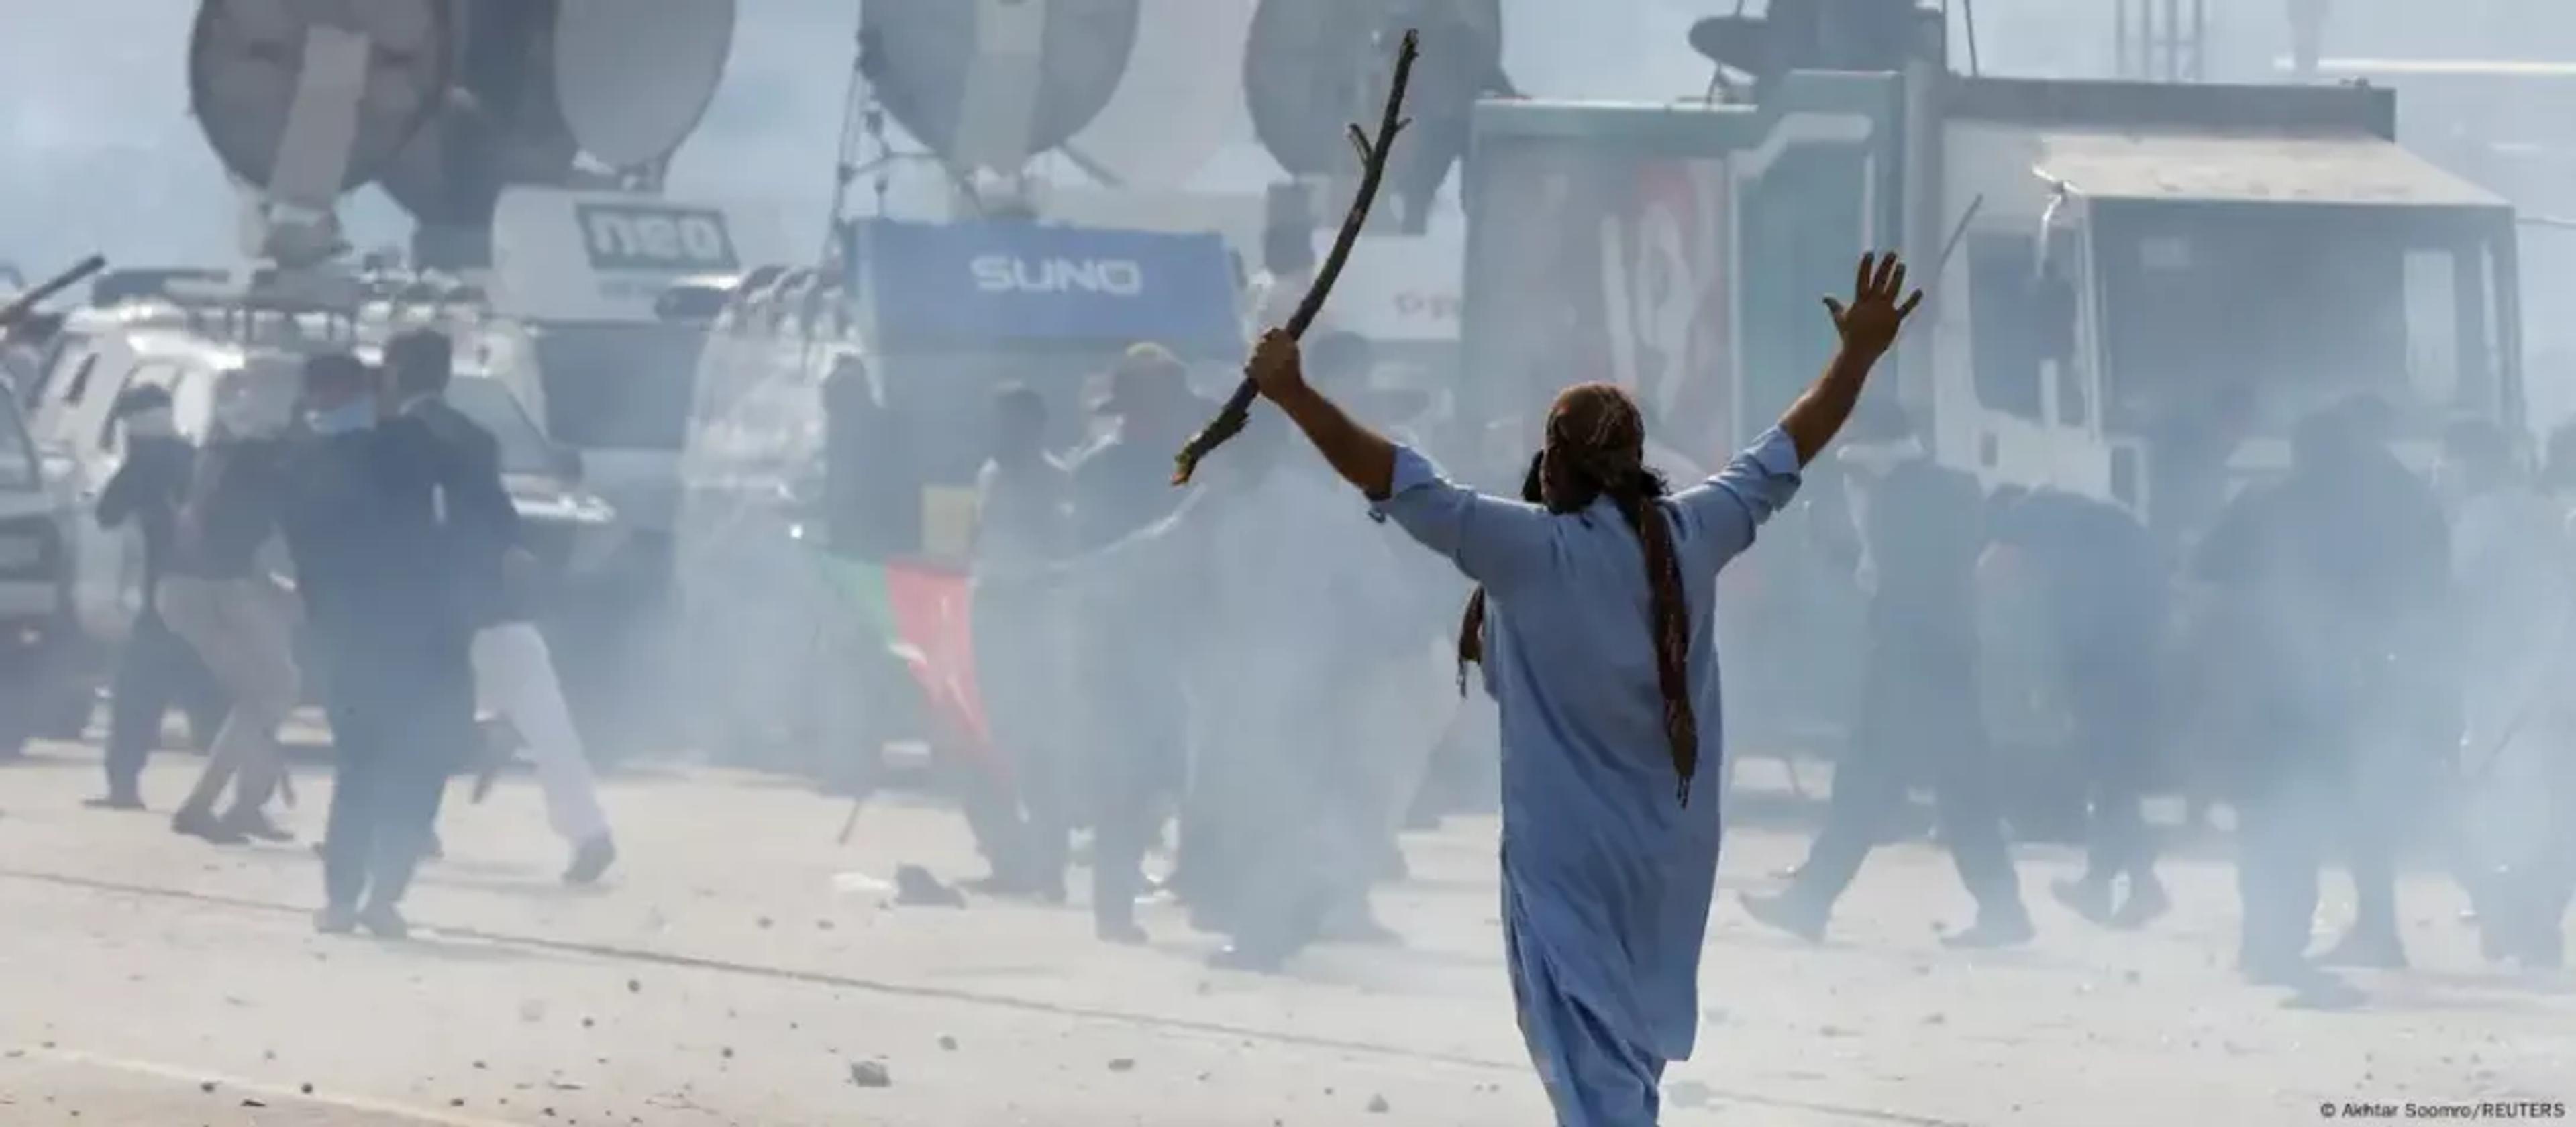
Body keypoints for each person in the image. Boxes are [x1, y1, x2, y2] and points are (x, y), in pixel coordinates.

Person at [1243, 253, 1918, 1126]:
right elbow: (1784, 450)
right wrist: (1856, 356)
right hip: (1669, 849)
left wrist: (1293, 394)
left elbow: (1390, 473)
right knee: (1624, 1041)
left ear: (1552, 461)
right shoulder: (1693, 532)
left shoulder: (1521, 547)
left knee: (1587, 1053)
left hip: (1563, 854)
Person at [1743, 401, 2033, 947]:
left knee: (1864, 781)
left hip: (1907, 654)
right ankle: (2003, 908)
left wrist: (1836, 548)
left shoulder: (1893, 496)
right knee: (1962, 791)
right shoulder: (1954, 486)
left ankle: (1810, 901)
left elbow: (1886, 577)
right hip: (1950, 653)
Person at [387, 329, 616, 885]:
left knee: (405, 720)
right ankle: (589, 833)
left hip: (430, 607)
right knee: (546, 716)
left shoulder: (395, 440)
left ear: (395, 373)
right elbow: (496, 515)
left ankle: (404, 827)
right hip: (492, 599)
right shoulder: (476, 437)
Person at [278, 352, 476, 937]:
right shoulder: (406, 447)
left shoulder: (304, 461)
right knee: (413, 769)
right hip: (420, 637)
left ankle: (348, 899)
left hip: (358, 640)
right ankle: (379, 897)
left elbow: (305, 561)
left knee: (364, 769)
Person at [1066, 343, 1205, 944]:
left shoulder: (1196, 467)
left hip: (1180, 639)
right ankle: (1112, 904)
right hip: (1116, 641)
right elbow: (1085, 560)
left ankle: (1139, 884)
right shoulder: (1099, 470)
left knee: (1170, 774)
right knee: (1124, 777)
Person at [2005, 487, 2173, 926]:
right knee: (2112, 784)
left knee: (2109, 782)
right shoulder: (2117, 534)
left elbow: (2073, 628)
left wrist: (2055, 684)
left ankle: (2134, 885)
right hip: (2139, 674)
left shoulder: (2073, 555)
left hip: (2103, 681)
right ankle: (2112, 886)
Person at [2438, 419, 2566, 967]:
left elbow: (2459, 602)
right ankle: (2529, 919)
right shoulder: (2545, 514)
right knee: (2555, 820)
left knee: (2471, 816)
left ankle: (2512, 916)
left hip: (2504, 692)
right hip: (2556, 685)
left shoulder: (2479, 520)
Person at [158, 371, 299, 845]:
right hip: (216, 588)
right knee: (269, 692)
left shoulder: (214, 453)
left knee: (265, 694)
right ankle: (207, 806)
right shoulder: (253, 458)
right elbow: (233, 534)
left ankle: (244, 803)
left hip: (197, 586)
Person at [90, 384, 227, 815]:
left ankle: (124, 786)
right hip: (209, 597)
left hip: (164, 598)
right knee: (214, 698)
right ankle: (239, 791)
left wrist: (133, 464)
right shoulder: (193, 458)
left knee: (137, 693)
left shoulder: (145, 465)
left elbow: (107, 513)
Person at [964, 383, 1074, 900]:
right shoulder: (990, 474)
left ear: (1036, 428)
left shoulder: (1055, 481)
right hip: (991, 622)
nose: (1002, 433)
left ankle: (1046, 869)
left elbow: (1062, 557)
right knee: (988, 748)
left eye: (1013, 423)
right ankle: (1009, 861)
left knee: (1038, 755)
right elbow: (980, 540)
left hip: (1035, 628)